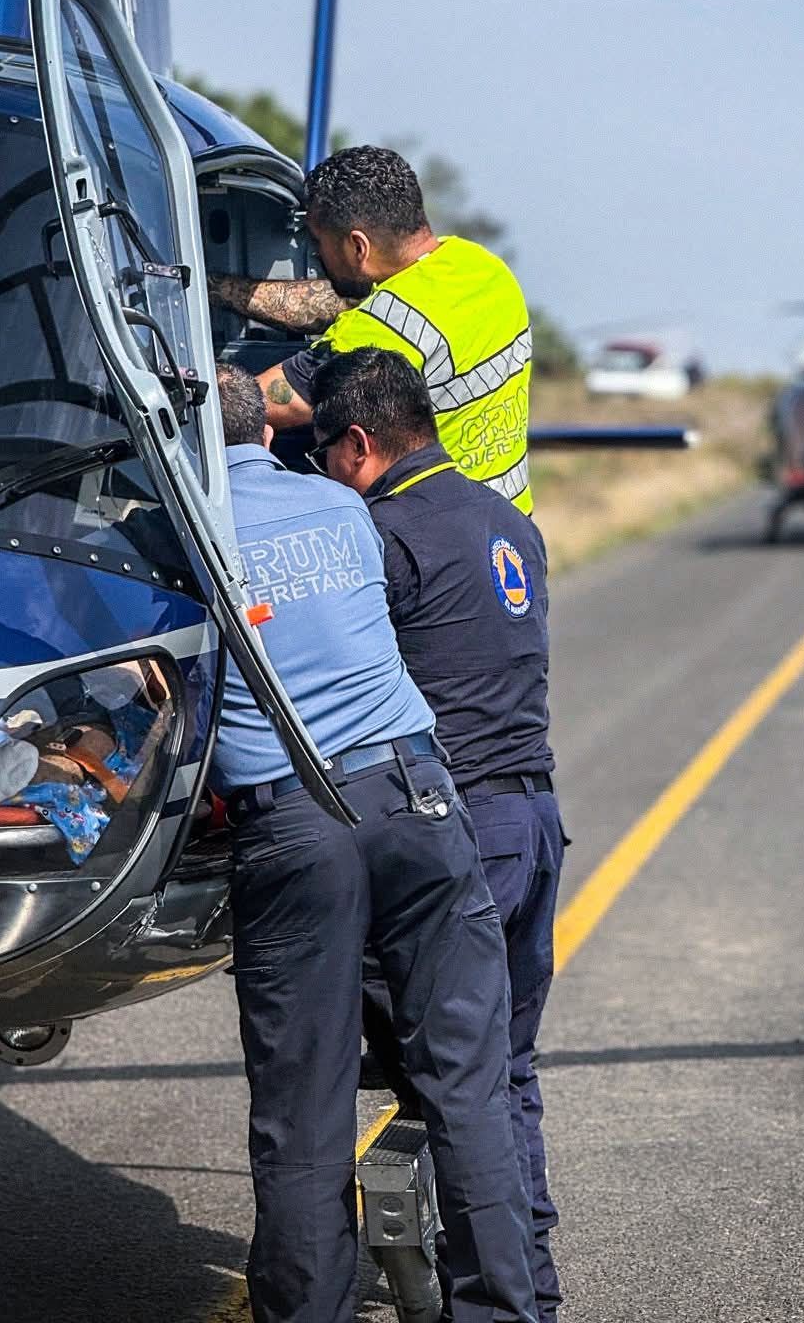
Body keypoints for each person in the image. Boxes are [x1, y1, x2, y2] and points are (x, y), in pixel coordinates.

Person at [211, 362, 537, 1323]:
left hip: (294, 819)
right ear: (266, 432)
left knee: (304, 1116)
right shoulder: (343, 509)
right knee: (468, 1089)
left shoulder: (176, 535)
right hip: (416, 793)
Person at [308, 346, 566, 1323]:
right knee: (504, 1072)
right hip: (535, 819)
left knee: (446, 1084)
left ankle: (482, 1298)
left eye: (325, 454)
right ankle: (530, 1283)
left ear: (359, 443)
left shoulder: (383, 536)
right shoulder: (511, 522)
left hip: (460, 831)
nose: (325, 473)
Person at [208, 144, 534, 513]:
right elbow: (330, 303)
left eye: (318, 242)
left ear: (358, 246)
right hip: (507, 522)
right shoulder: (481, 268)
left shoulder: (380, 330)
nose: (315, 255)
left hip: (427, 530)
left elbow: (255, 403)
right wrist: (214, 288)